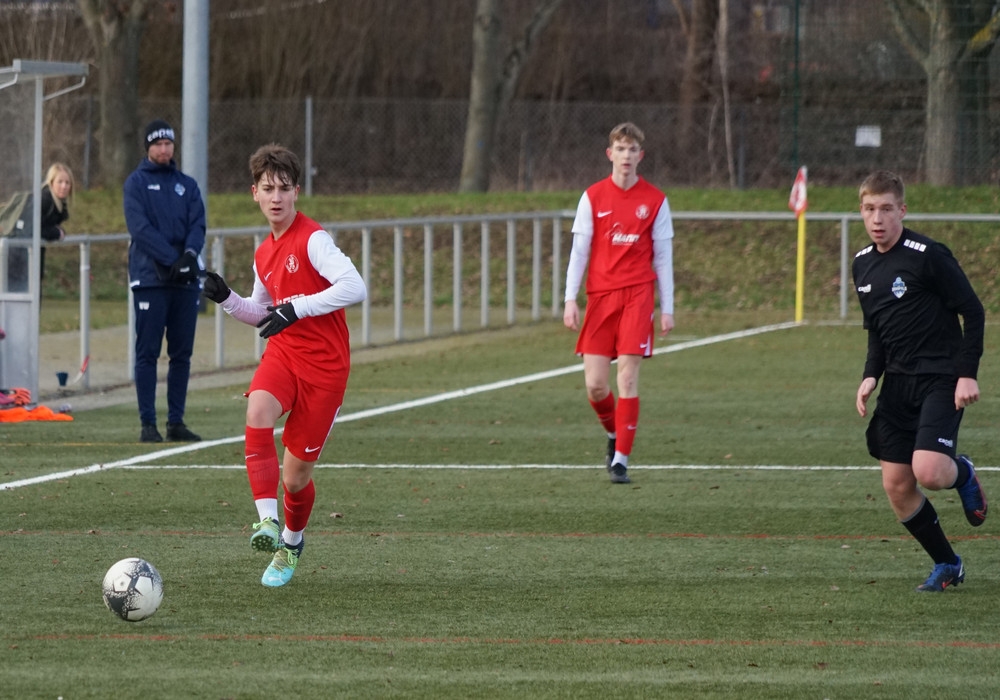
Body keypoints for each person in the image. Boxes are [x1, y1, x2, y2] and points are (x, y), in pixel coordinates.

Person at [202, 144, 366, 588]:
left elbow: (355, 286)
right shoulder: (263, 253)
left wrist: (297, 308)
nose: (276, 197)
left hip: (326, 368)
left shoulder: (313, 240)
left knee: (295, 480)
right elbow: (263, 313)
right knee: (257, 409)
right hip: (284, 353)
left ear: (296, 192)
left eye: (284, 188)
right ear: (254, 193)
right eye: (268, 188)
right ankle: (267, 522)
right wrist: (226, 298)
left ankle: (291, 541)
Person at [853, 170, 987, 593]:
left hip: (941, 379)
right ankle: (948, 563)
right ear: (861, 211)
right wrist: (870, 375)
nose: (877, 218)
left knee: (928, 471)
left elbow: (974, 311)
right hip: (898, 385)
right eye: (869, 209)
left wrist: (967, 373)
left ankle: (963, 472)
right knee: (896, 485)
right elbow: (877, 330)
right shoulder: (861, 264)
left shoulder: (929, 255)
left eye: (886, 209)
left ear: (902, 210)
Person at [563, 122, 675, 484]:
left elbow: (663, 258)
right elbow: (579, 252)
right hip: (600, 297)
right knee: (596, 386)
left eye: (633, 150)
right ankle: (614, 434)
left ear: (641, 156)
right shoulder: (592, 197)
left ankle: (621, 461)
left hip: (638, 295)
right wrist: (570, 298)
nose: (627, 156)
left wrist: (667, 307)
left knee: (627, 377)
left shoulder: (655, 201)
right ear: (610, 154)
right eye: (621, 149)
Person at [123, 120, 206, 443]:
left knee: (181, 354)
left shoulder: (187, 185)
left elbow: (198, 224)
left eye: (168, 143)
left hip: (184, 282)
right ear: (148, 147)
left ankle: (176, 422)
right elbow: (139, 228)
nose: (163, 149)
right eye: (157, 144)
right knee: (147, 352)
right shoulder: (136, 184)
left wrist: (188, 256)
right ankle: (148, 423)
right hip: (150, 280)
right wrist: (171, 260)